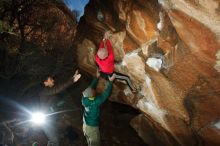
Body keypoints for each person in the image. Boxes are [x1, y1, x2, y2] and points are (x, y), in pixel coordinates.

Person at [39, 69, 81, 146]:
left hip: (51, 120)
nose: (53, 80)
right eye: (51, 79)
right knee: (55, 141)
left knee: (54, 141)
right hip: (46, 121)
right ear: (45, 83)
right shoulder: (44, 91)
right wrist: (72, 80)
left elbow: (59, 88)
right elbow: (57, 89)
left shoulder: (50, 92)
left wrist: (72, 77)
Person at [82, 70, 116, 146]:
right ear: (91, 96)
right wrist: (110, 82)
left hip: (85, 126)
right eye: (94, 91)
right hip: (92, 128)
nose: (95, 90)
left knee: (90, 143)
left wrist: (96, 77)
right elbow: (105, 95)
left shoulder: (84, 98)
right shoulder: (95, 102)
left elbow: (90, 88)